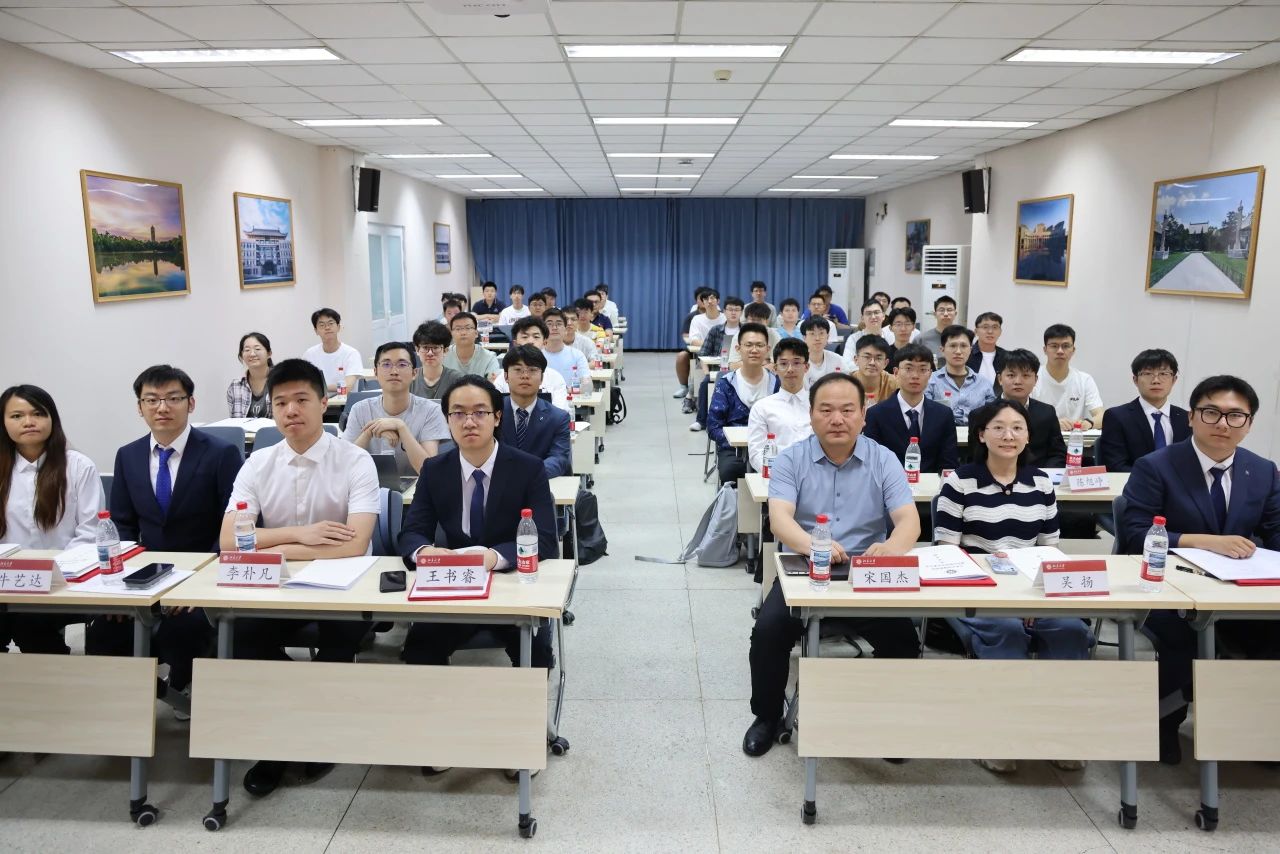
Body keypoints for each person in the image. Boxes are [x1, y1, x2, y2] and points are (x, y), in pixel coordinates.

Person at [221, 359, 379, 798]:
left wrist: (267, 543)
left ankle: (314, 735)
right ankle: (285, 734)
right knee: (240, 636)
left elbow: (354, 544)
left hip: (344, 587)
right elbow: (230, 540)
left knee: (340, 639)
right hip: (275, 584)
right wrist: (302, 534)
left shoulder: (355, 460)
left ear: (324, 403)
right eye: (280, 403)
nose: (291, 410)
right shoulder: (257, 463)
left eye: (301, 400)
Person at [744, 373, 921, 757]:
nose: (837, 419)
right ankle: (767, 716)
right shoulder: (791, 459)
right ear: (811, 415)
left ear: (863, 415)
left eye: (847, 410)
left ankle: (886, 721)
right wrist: (815, 546)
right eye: (826, 410)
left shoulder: (884, 459)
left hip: (865, 573)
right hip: (805, 569)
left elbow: (909, 520)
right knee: (768, 632)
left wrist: (891, 549)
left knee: (904, 640)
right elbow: (780, 520)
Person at [1121, 375, 1280, 765]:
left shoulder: (1263, 470)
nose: (1223, 424)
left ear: (1249, 423)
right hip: (1170, 591)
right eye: (1211, 413)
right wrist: (1205, 541)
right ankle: (1164, 725)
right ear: (1191, 417)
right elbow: (1136, 534)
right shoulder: (1156, 466)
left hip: (1242, 591)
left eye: (1235, 416)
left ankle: (1256, 727)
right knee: (1184, 640)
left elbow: (1276, 531)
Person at [935, 399, 1089, 774]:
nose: (1009, 435)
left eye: (1017, 428)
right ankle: (1000, 736)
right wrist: (1007, 602)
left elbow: (1050, 550)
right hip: (977, 593)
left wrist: (1035, 601)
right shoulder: (959, 483)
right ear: (981, 435)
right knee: (1006, 631)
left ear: (1028, 436)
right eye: (999, 427)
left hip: (1033, 592)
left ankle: (1061, 735)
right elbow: (947, 554)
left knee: (1070, 630)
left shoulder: (1041, 482)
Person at [87, 365, 241, 714]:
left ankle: (180, 688)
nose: (162, 407)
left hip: (203, 575)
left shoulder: (221, 454)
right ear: (139, 407)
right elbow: (123, 526)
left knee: (182, 631)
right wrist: (122, 587)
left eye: (173, 398)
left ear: (191, 403)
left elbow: (231, 525)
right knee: (105, 631)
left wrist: (201, 585)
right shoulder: (128, 455)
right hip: (146, 576)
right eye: (151, 400)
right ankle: (124, 707)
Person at [399, 376, 559, 680]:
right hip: (455, 585)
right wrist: (425, 551)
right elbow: (412, 531)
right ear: (448, 420)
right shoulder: (435, 470)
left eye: (480, 412)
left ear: (497, 417)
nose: (469, 422)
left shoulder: (528, 468)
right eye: (458, 413)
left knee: (536, 655)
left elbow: (546, 539)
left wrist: (493, 558)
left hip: (512, 584)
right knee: (418, 648)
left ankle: (522, 712)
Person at [0, 385, 101, 654]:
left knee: (29, 623)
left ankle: (56, 676)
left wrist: (53, 571)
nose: (28, 422)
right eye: (17, 416)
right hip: (7, 582)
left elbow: (90, 532)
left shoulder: (78, 466)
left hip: (65, 583)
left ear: (52, 419)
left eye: (37, 413)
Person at [344, 342, 449, 476]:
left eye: (402, 365)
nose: (394, 371)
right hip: (369, 485)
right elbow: (344, 465)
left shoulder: (431, 411)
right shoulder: (360, 410)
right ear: (375, 372)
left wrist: (401, 427)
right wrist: (370, 432)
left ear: (414, 373)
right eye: (386, 364)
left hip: (416, 487)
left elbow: (429, 471)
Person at [863, 344, 958, 473]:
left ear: (930, 374)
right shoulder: (876, 414)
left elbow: (949, 463)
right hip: (889, 482)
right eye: (908, 368)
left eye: (923, 369)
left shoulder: (943, 414)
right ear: (896, 372)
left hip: (932, 483)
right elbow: (872, 462)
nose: (915, 375)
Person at [708, 323, 779, 484]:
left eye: (759, 345)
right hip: (733, 449)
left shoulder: (776, 383)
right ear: (738, 349)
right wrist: (735, 441)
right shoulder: (727, 384)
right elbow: (713, 427)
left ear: (768, 349)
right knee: (731, 471)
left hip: (769, 447)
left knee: (783, 471)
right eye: (749, 345)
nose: (754, 350)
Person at [1098, 349, 1190, 473]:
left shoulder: (1186, 418)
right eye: (1148, 374)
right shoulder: (1117, 417)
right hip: (1135, 483)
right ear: (1135, 380)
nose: (1156, 380)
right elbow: (1115, 466)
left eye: (1163, 374)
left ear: (1174, 380)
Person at [498, 346, 572, 478]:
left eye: (532, 370)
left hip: (541, 483)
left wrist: (526, 476)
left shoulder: (558, 418)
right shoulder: (492, 413)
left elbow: (558, 458)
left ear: (542, 378)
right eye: (518, 370)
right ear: (506, 376)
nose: (525, 376)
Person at [746, 339, 812, 473]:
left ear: (806, 367)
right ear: (775, 368)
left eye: (796, 363)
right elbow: (756, 453)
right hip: (777, 475)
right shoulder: (762, 408)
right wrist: (776, 475)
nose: (790, 369)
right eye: (783, 364)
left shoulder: (820, 404)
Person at [996, 349, 1066, 469]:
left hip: (1039, 475)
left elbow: (1058, 454)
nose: (1018, 381)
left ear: (1035, 380)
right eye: (1011, 375)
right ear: (1000, 379)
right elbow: (977, 456)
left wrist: (1044, 475)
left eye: (1026, 375)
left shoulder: (1047, 413)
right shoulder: (982, 414)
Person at [1033, 324, 1105, 431]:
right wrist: (1052, 424)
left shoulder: (1084, 380)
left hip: (1074, 438)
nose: (1060, 351)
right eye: (1054, 346)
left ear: (1073, 350)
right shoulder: (1032, 377)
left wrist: (1088, 423)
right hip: (1042, 437)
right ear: (1045, 349)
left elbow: (1101, 416)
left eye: (1066, 346)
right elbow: (1020, 416)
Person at [491, 316, 570, 413]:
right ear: (515, 343)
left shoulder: (555, 378)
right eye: (525, 337)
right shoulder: (503, 378)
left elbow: (560, 413)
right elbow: (494, 411)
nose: (530, 341)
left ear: (545, 342)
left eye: (536, 337)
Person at [926, 325, 996, 425]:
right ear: (942, 350)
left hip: (974, 434)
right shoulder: (930, 381)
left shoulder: (984, 383)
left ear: (970, 350)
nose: (958, 351)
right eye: (953, 346)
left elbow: (992, 418)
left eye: (963, 346)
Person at [302, 308, 364, 393]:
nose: (327, 328)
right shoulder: (309, 354)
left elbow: (347, 387)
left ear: (338, 327)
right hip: (319, 400)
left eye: (331, 323)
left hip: (345, 400)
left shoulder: (351, 354)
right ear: (316, 331)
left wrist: (319, 388)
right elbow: (302, 383)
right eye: (322, 325)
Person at [410, 320, 463, 400]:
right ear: (417, 350)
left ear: (445, 351)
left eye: (435, 348)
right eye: (425, 348)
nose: (430, 353)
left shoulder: (457, 379)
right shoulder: (409, 378)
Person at [541, 308, 592, 389]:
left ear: (565, 329)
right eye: (549, 324)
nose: (554, 327)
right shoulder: (537, 356)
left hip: (570, 396)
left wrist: (565, 391)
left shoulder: (577, 355)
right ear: (543, 329)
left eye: (559, 324)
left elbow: (587, 385)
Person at [226, 332, 273, 418]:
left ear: (269, 353)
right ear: (241, 356)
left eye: (257, 349)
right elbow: (233, 422)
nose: (252, 354)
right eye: (247, 350)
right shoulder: (235, 386)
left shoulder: (282, 382)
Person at [443, 312, 501, 380]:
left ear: (476, 333)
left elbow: (494, 382)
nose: (463, 333)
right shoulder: (443, 355)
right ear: (451, 334)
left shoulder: (489, 358)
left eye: (468, 328)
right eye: (458, 329)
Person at [848, 334, 899, 407]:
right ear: (856, 360)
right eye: (867, 357)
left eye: (878, 358)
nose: (872, 363)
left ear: (885, 363)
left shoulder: (895, 384)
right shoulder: (845, 384)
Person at [801, 316, 847, 386]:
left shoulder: (838, 360)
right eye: (812, 334)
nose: (817, 338)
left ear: (827, 337)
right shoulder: (798, 362)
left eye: (821, 333)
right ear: (804, 338)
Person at [967, 311, 1006, 387]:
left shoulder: (1006, 357)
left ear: (1000, 332)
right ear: (976, 331)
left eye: (995, 327)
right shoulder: (966, 354)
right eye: (985, 327)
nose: (990, 331)